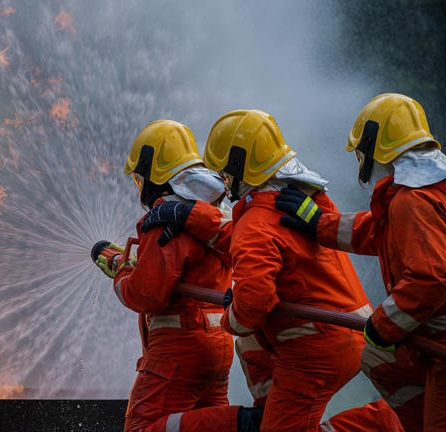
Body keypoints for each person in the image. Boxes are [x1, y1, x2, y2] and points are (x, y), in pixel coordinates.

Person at [138, 110, 402, 431]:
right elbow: (241, 240)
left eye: (224, 170)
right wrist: (189, 215)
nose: (222, 179)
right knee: (281, 419)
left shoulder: (256, 222)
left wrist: (229, 315)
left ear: (239, 166)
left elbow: (252, 305)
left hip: (315, 347)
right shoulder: (300, 201)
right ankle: (398, 416)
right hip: (346, 333)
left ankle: (393, 422)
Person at [274, 93, 446, 431]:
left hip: (442, 352)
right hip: (434, 344)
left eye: (361, 152)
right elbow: (380, 231)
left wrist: (383, 324)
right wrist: (316, 222)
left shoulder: (411, 201)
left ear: (374, 146)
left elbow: (431, 278)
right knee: (379, 359)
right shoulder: (429, 190)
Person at [94, 119, 263, 431]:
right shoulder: (214, 211)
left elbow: (147, 296)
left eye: (140, 178)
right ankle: (236, 422)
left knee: (143, 427)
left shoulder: (165, 218)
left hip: (178, 349)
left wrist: (122, 272)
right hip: (217, 344)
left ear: (153, 175)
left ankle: (243, 423)